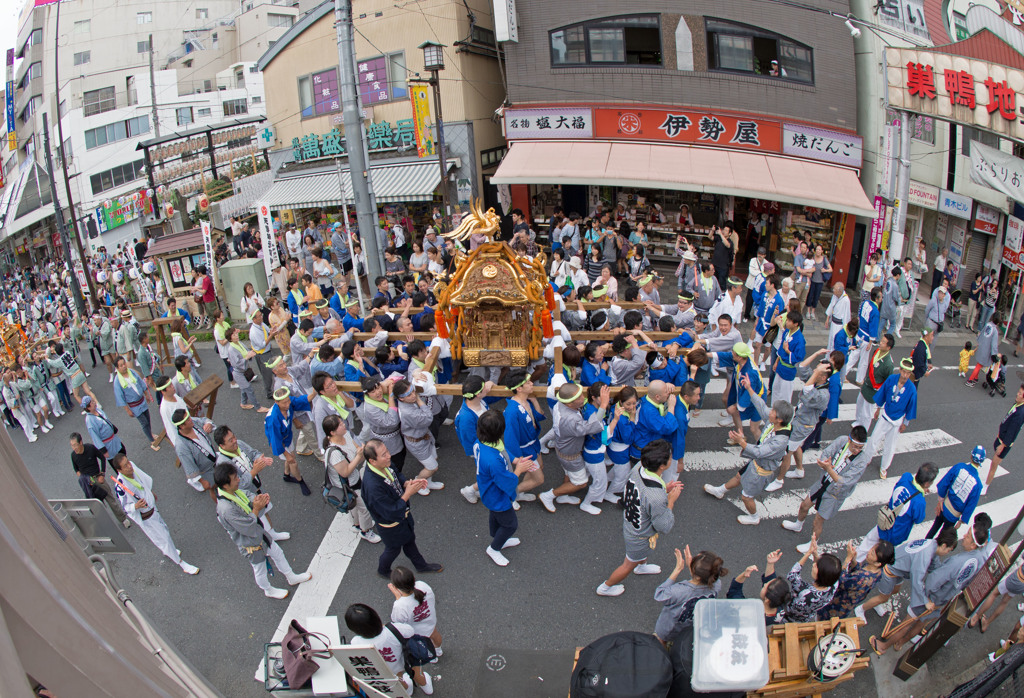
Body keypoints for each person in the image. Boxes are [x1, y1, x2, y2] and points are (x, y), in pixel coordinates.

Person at [212, 463, 311, 599]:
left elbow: (246, 494)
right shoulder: (226, 509)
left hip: (259, 533)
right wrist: (257, 508)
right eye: (235, 478)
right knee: (260, 569)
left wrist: (257, 499)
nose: (238, 480)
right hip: (250, 543)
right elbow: (247, 527)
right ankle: (268, 590)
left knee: (277, 553)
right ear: (225, 485)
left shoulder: (232, 492)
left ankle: (291, 576)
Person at [598, 440, 683, 597]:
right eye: (670, 457)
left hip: (632, 522)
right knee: (628, 564)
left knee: (638, 556)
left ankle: (641, 565)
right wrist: (670, 500)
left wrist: (665, 488)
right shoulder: (656, 497)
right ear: (662, 466)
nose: (672, 458)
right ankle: (606, 586)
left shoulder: (639, 467)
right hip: (639, 535)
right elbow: (664, 525)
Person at [704, 378, 794, 526]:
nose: (769, 411)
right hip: (757, 463)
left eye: (773, 411)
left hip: (761, 471)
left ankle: (754, 517)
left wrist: (741, 442)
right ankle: (720, 490)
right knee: (739, 476)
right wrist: (749, 388)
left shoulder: (780, 441)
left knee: (746, 497)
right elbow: (761, 407)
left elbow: (759, 452)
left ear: (778, 419)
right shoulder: (775, 424)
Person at [361, 437, 442, 579]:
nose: (389, 456)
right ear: (372, 461)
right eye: (384, 455)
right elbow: (390, 511)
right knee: (393, 549)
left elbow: (397, 474)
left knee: (409, 540)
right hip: (391, 525)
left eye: (387, 451)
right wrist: (408, 493)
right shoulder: (373, 487)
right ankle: (383, 569)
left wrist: (408, 483)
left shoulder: (384, 465)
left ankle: (421, 565)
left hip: (402, 517)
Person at [782, 426, 874, 548]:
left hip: (835, 493)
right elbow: (826, 453)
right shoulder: (842, 441)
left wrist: (828, 468)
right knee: (804, 505)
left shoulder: (862, 460)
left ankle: (812, 545)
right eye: (855, 446)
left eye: (860, 448)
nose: (857, 450)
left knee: (818, 520)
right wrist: (824, 461)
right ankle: (798, 524)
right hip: (823, 482)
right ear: (849, 439)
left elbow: (844, 482)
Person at [110, 453, 199, 575]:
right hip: (146, 517)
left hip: (152, 508)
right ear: (119, 470)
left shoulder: (133, 468)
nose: (129, 466)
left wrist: (150, 492)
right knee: (164, 538)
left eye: (128, 462)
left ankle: (169, 551)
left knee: (164, 530)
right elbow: (125, 507)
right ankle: (181, 563)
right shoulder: (121, 486)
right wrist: (135, 506)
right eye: (125, 466)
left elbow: (143, 481)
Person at [474, 410, 535, 567]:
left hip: (488, 491)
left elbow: (503, 454)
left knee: (495, 514)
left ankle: (497, 537)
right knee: (510, 525)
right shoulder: (493, 460)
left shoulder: (481, 443)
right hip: (497, 496)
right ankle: (494, 548)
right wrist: (520, 469)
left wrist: (516, 461)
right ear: (501, 431)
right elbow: (506, 482)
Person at [544, 382, 610, 514]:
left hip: (563, 449)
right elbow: (592, 427)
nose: (583, 399)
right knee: (581, 483)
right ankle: (549, 495)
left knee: (569, 473)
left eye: (581, 395)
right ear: (569, 404)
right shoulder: (570, 419)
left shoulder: (559, 406)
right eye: (578, 398)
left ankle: (563, 496)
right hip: (570, 454)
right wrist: (603, 405)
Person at [213, 425, 288, 540]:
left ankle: (271, 534)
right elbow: (238, 486)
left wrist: (260, 459)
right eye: (230, 440)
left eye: (234, 437)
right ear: (222, 446)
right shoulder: (223, 463)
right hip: (246, 497)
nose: (234, 441)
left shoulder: (240, 444)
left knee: (264, 510)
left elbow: (253, 453)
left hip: (256, 487)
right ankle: (267, 540)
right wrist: (254, 471)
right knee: (257, 518)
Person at [344, 603, 434, 695]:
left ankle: (407, 690)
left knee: (397, 679)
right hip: (406, 660)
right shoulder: (394, 629)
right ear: (376, 617)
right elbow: (410, 631)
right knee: (416, 673)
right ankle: (426, 686)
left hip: (387, 668)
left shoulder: (356, 642)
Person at [321, 414, 380, 543]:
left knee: (354, 505)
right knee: (364, 508)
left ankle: (357, 524)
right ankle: (366, 531)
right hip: (349, 485)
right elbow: (345, 472)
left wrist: (360, 451)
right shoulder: (335, 453)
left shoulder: (345, 434)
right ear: (332, 432)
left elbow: (356, 448)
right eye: (340, 424)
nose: (344, 425)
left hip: (354, 480)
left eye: (342, 422)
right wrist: (359, 456)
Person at [654, 547, 728, 644]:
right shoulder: (716, 585)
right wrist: (693, 568)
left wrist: (677, 569)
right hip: (693, 626)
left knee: (661, 642)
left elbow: (660, 594)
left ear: (697, 575)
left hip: (670, 629)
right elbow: (699, 581)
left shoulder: (679, 591)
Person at [869, 357, 918, 478]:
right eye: (904, 372)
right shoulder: (891, 379)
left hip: (897, 420)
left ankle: (884, 467)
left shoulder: (912, 389)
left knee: (890, 446)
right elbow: (883, 394)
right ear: (900, 370)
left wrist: (905, 423)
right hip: (885, 415)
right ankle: (866, 458)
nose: (905, 375)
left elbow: (911, 406)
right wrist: (878, 409)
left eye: (908, 373)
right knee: (874, 438)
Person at [824, 540, 895, 621]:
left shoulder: (861, 577)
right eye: (872, 549)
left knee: (824, 621)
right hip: (846, 605)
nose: (869, 552)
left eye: (872, 553)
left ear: (877, 563)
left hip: (837, 604)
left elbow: (841, 580)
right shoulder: (877, 571)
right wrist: (854, 560)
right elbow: (858, 570)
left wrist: (848, 559)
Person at [70, 432, 129, 528]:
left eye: (75, 445)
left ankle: (123, 519)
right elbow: (76, 469)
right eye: (72, 446)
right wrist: (84, 478)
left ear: (81, 442)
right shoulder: (73, 455)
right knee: (96, 505)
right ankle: (105, 525)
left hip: (98, 478)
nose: (74, 448)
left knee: (110, 499)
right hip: (88, 483)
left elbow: (102, 458)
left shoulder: (90, 448)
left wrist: (102, 473)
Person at [926, 446, 985, 539]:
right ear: (981, 462)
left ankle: (923, 545)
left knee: (934, 528)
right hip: (953, 516)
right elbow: (971, 505)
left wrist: (940, 500)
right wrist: (962, 520)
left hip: (944, 506)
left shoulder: (959, 467)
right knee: (942, 537)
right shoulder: (978, 485)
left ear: (971, 456)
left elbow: (945, 483)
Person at [265, 386, 313, 495]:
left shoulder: (288, 404)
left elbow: (300, 401)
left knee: (291, 457)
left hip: (287, 437)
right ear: (276, 402)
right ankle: (300, 481)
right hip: (280, 442)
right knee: (293, 461)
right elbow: (276, 441)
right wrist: (287, 455)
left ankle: (286, 474)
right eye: (284, 403)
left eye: (288, 401)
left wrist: (314, 393)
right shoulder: (273, 419)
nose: (287, 405)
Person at [725, 550, 792, 626]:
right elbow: (772, 583)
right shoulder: (780, 604)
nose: (765, 583)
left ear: (767, 599)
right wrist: (770, 563)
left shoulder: (751, 613)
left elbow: (734, 594)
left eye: (764, 586)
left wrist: (743, 575)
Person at [781, 540, 842, 622]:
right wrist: (815, 554)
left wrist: (808, 553)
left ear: (820, 574)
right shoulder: (833, 585)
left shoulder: (803, 590)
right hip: (804, 618)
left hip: (788, 615)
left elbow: (792, 574)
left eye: (816, 566)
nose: (813, 564)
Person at [389, 566, 443, 658]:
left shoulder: (400, 605)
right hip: (430, 620)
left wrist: (398, 599)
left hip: (415, 631)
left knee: (421, 645)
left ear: (396, 587)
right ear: (413, 578)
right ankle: (438, 651)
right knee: (434, 635)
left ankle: (430, 656)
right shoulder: (423, 585)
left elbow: (398, 622)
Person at [982, 383, 1024, 495]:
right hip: (1001, 438)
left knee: (994, 465)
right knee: (993, 462)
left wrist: (1002, 445)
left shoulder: (1020, 413)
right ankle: (987, 482)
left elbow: (1012, 431)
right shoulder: (1018, 405)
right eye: (1018, 392)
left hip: (1004, 443)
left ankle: (986, 485)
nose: (1017, 394)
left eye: (1020, 393)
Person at [112, 356, 158, 450]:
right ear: (117, 368)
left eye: (124, 363)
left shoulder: (131, 372)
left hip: (142, 401)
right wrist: (127, 410)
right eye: (121, 365)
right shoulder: (117, 381)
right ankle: (151, 439)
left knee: (147, 419)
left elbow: (140, 382)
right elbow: (120, 397)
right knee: (144, 422)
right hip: (134, 406)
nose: (124, 366)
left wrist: (146, 394)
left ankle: (150, 433)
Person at [172, 409, 219, 500]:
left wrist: (208, 424)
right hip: (208, 471)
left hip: (217, 459)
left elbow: (204, 420)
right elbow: (189, 466)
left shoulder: (193, 423)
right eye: (188, 420)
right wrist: (202, 481)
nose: (191, 419)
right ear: (181, 426)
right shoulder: (181, 446)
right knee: (215, 490)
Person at [82, 395, 125, 461]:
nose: (94, 402)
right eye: (92, 402)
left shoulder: (98, 410)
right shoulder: (90, 421)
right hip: (109, 446)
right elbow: (95, 437)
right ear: (88, 408)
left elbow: (106, 420)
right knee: (117, 462)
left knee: (123, 454)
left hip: (115, 440)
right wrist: (104, 451)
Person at [966, 312, 1002, 387]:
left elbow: (981, 334)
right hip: (986, 350)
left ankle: (976, 378)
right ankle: (970, 380)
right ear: (998, 321)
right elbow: (994, 345)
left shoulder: (988, 324)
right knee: (979, 365)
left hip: (982, 347)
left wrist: (979, 342)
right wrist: (994, 354)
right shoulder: (995, 331)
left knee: (979, 363)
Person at [824, 282, 851, 351]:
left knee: (835, 341)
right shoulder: (834, 296)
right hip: (833, 322)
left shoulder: (846, 300)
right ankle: (827, 356)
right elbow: (831, 306)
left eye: (834, 289)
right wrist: (827, 318)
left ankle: (832, 358)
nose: (833, 290)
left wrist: (845, 328)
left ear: (839, 291)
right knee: (830, 340)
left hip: (839, 325)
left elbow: (847, 315)